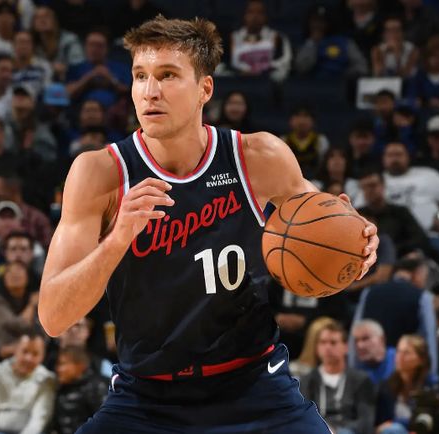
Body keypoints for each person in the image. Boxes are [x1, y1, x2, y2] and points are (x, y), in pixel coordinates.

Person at [38, 16, 379, 433]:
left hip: (254, 388)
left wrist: (359, 244)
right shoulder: (101, 174)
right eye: (140, 76)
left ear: (205, 89)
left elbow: (329, 228)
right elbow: (53, 317)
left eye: (168, 75)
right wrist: (116, 240)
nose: (150, 91)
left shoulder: (257, 157)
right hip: (147, 397)